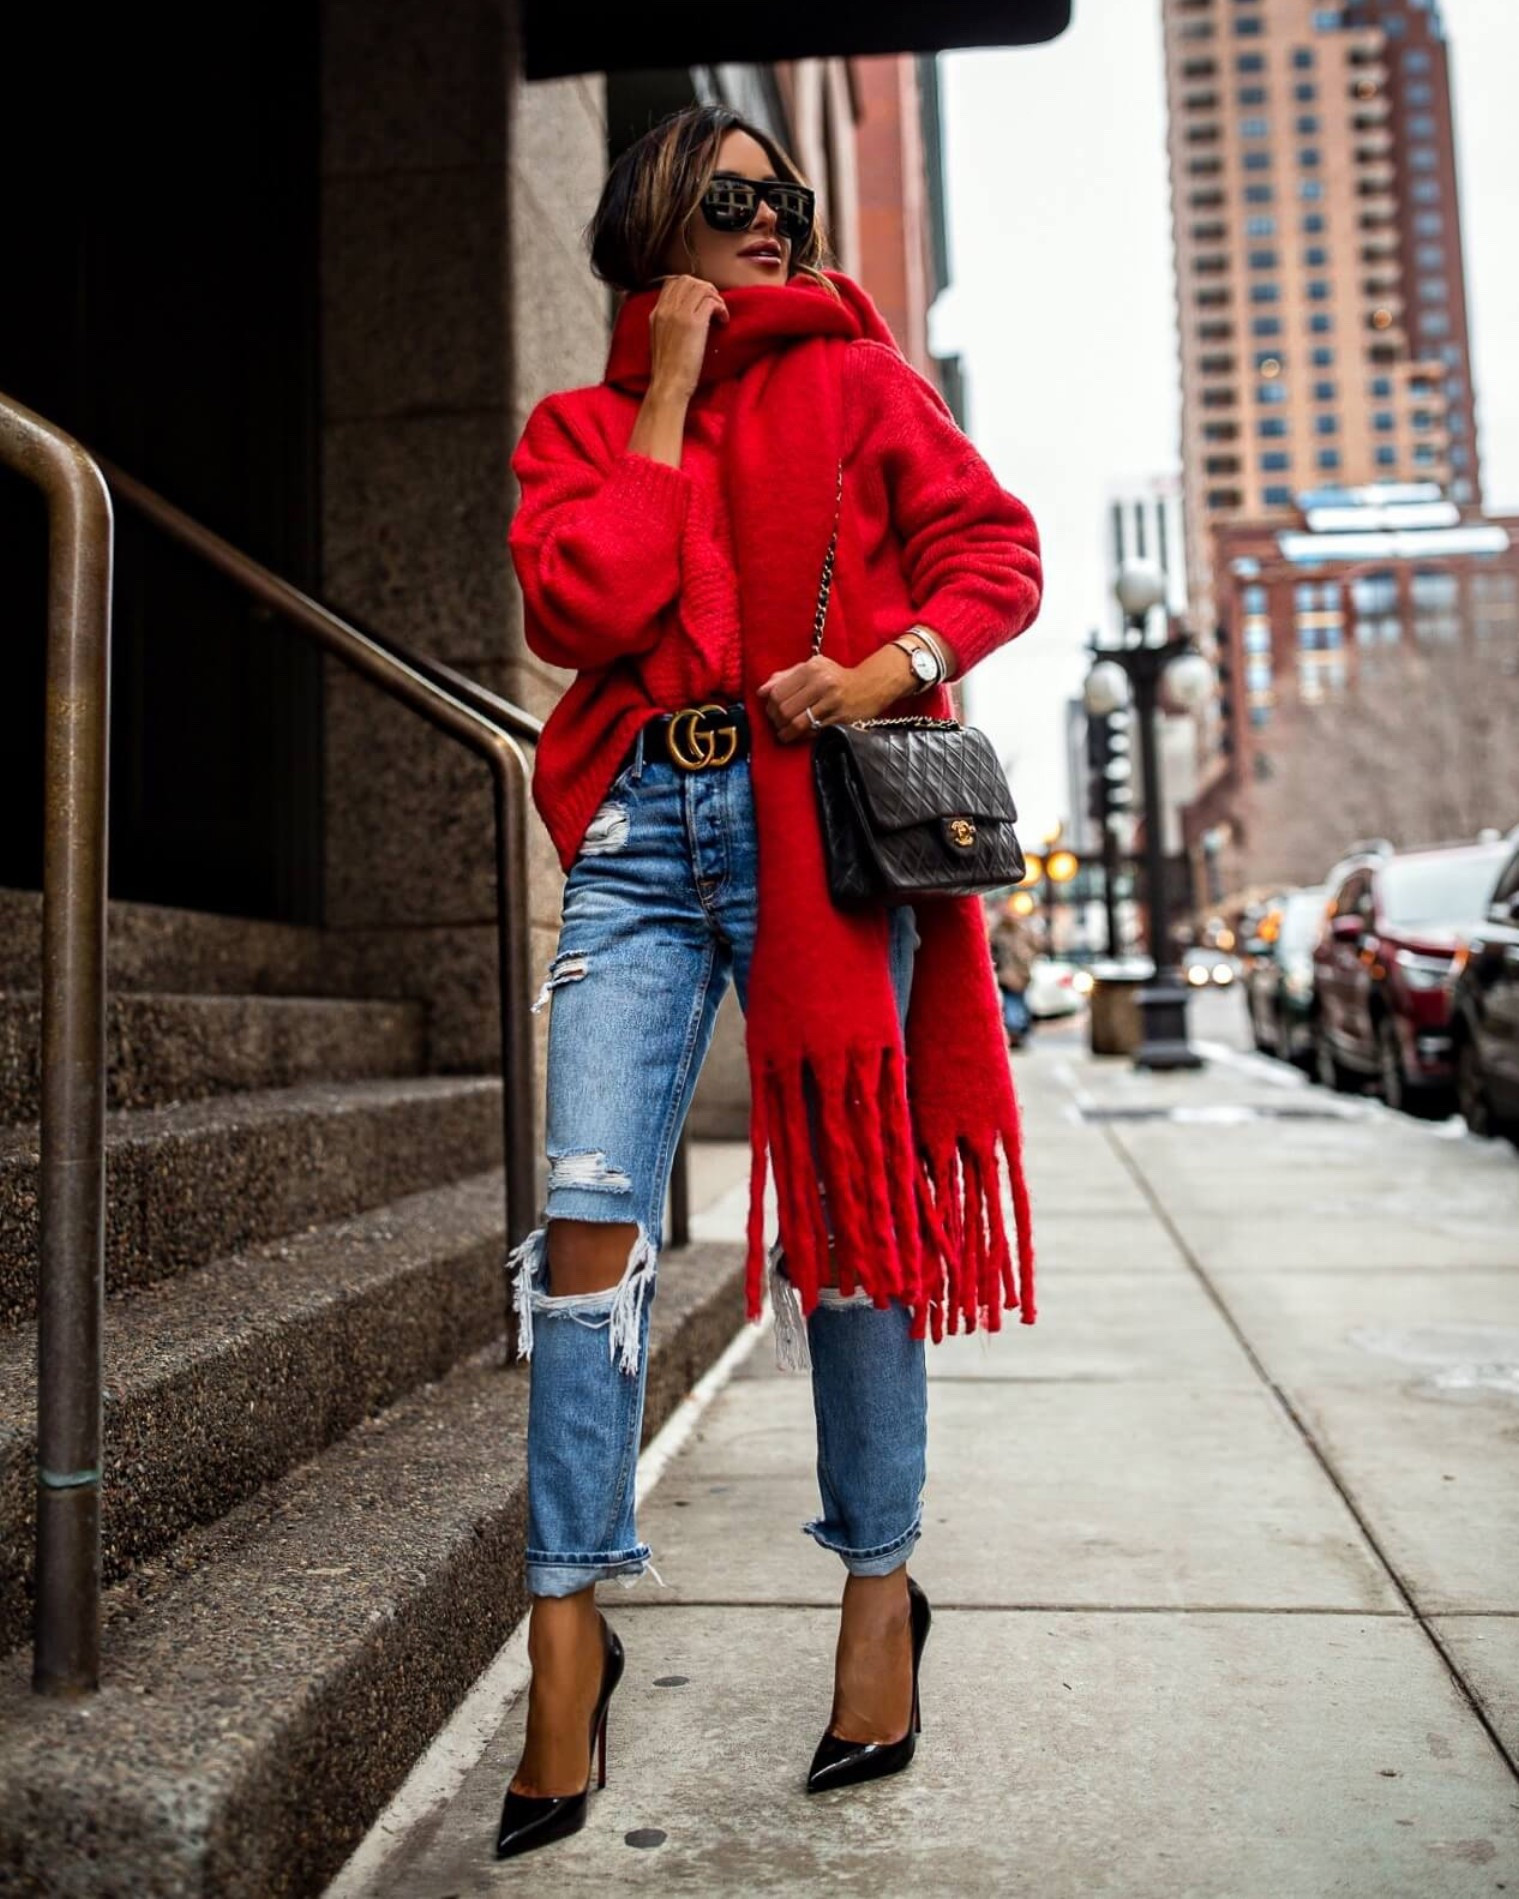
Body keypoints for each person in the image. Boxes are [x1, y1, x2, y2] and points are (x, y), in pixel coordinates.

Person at [497, 103, 1042, 1861]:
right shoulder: (577, 427)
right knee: (588, 1225)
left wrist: (886, 665)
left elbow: (995, 556)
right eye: (731, 198)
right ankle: (566, 1627)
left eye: (781, 197)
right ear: (655, 221)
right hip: (645, 828)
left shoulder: (862, 379)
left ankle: (876, 1591)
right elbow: (587, 606)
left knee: (857, 1226)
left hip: (816, 834)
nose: (769, 219)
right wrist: (662, 392)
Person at [991, 902, 1039, 1047]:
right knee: (1012, 1005)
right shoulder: (999, 932)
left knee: (1020, 1004)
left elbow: (1035, 947)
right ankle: (1014, 1032)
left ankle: (1019, 1031)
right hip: (1007, 976)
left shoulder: (1023, 930)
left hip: (1021, 975)